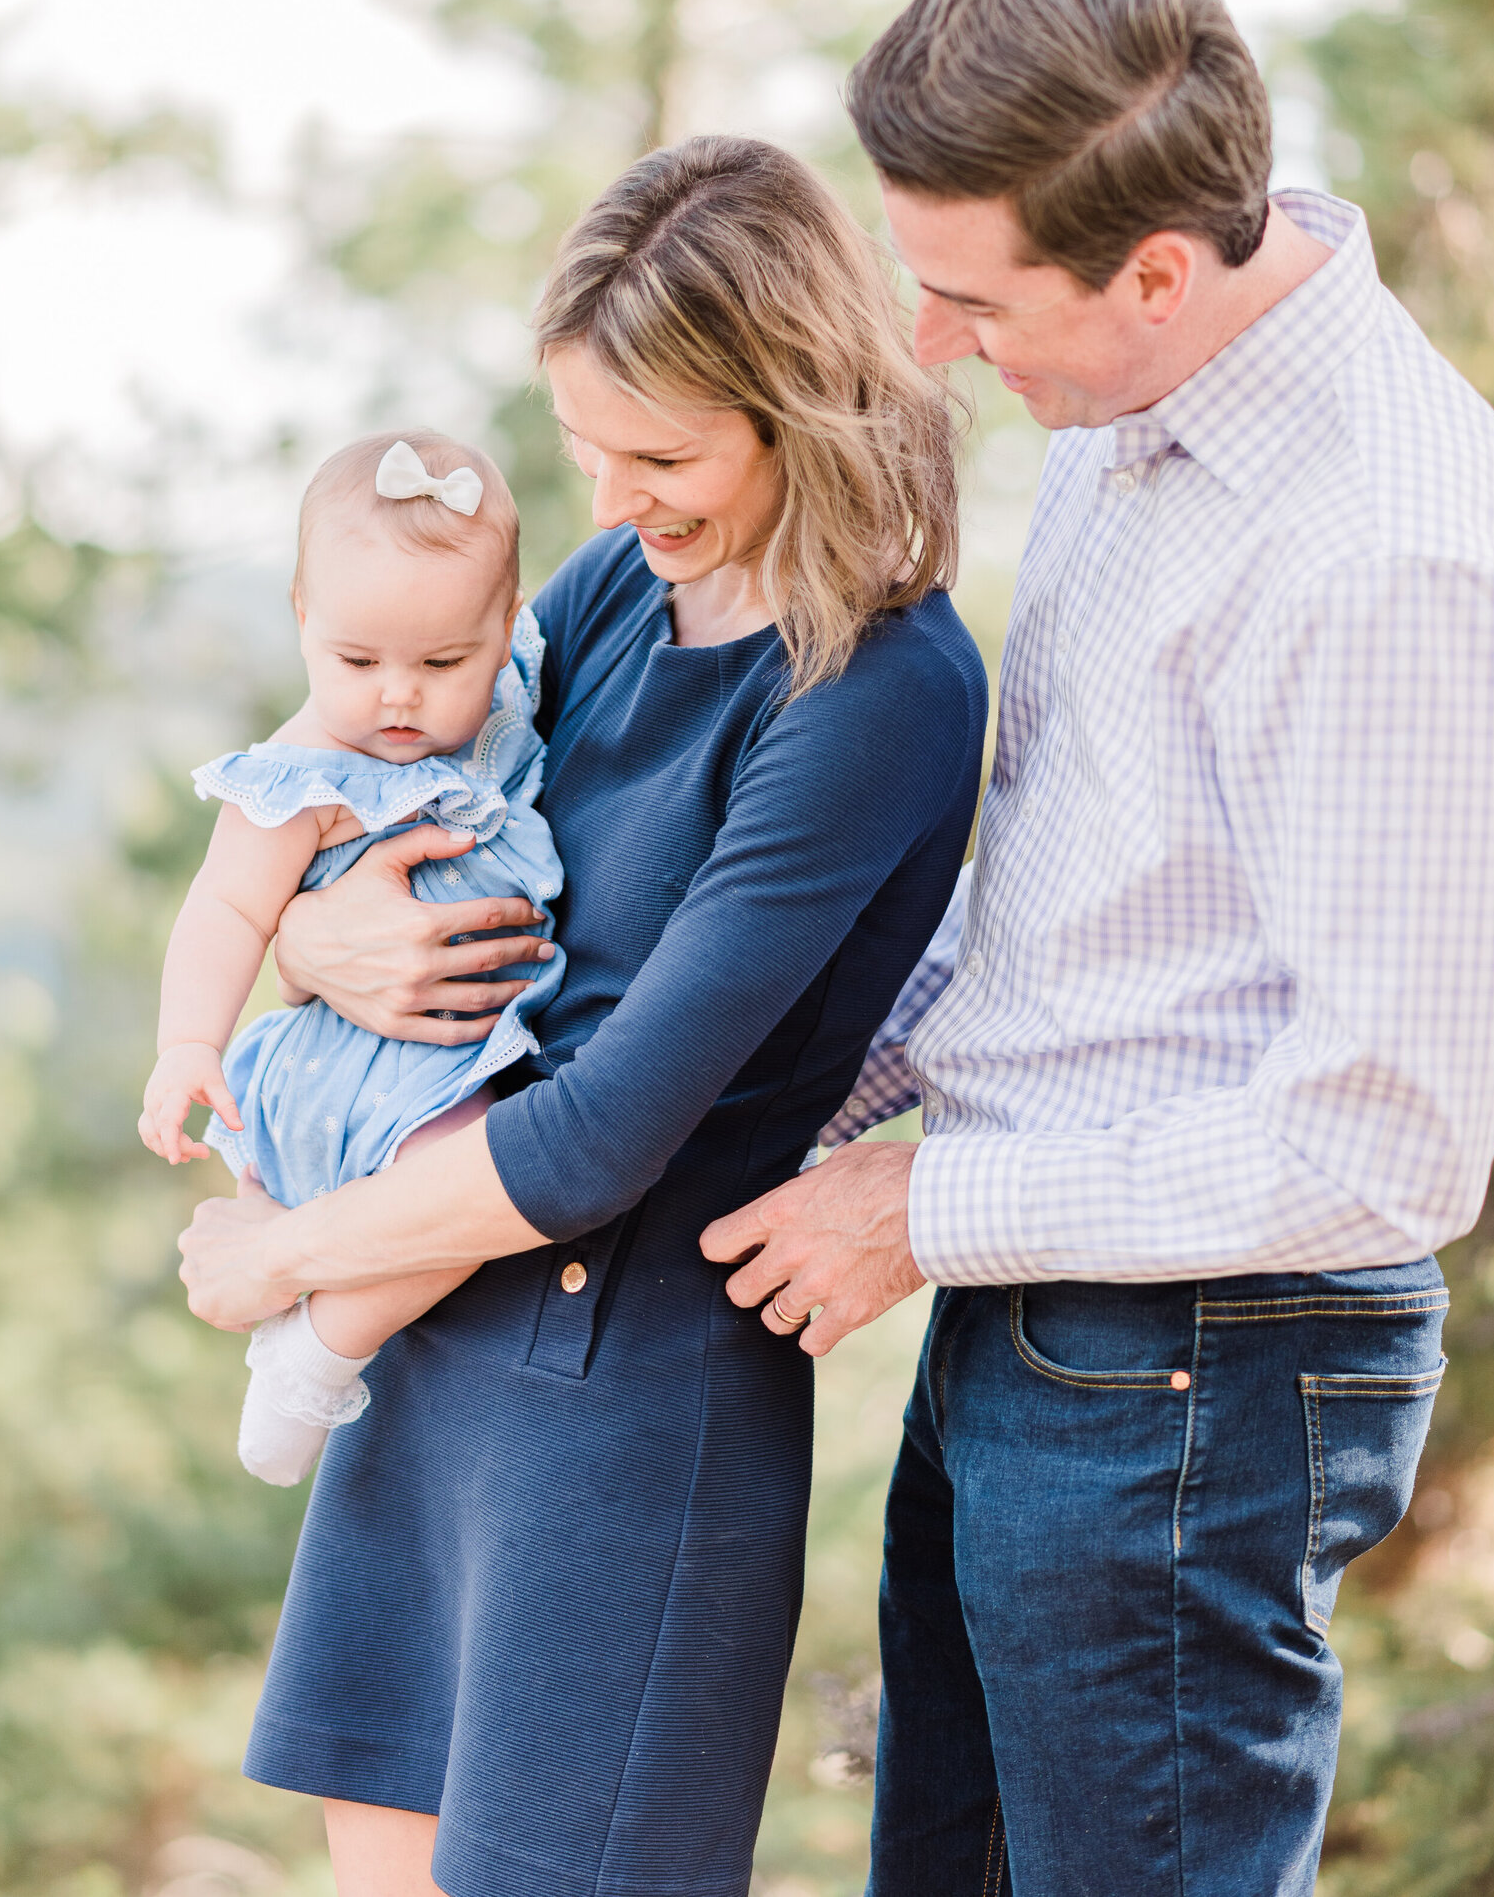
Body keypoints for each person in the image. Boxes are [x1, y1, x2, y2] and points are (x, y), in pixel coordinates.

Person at [702, 0, 1494, 1896]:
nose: (927, 345)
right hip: (1043, 1307)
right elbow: (1056, 902)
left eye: (972, 297)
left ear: (1154, 268)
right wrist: (748, 1099)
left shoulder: (1388, 554)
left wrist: (913, 1204)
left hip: (1204, 1377)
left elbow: (1378, 1143)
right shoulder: (1132, 416)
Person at [175, 134, 988, 1897]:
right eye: (588, 445)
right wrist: (312, 936)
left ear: (805, 406)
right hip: (428, 1353)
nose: (613, 498)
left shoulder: (880, 692)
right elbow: (396, 794)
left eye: (667, 453)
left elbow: (608, 1127)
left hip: (622, 1407)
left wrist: (290, 1257)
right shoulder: (621, 588)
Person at [140, 431, 564, 1486]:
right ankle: (319, 1358)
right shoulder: (304, 772)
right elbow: (227, 909)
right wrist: (188, 1043)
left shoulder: (509, 696)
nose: (397, 700)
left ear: (503, 631)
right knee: (478, 1177)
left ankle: (311, 1302)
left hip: (462, 1044)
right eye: (357, 662)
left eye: (440, 664)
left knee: (493, 1177)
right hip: (369, 1069)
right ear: (302, 620)